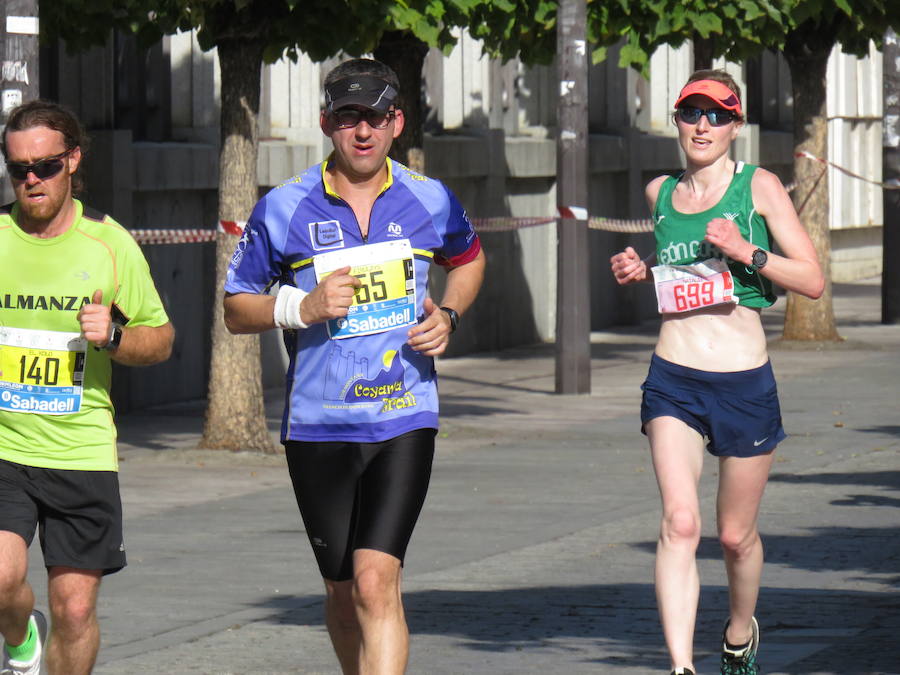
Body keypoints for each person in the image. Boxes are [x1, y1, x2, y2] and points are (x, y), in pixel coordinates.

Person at [223, 58, 485, 674]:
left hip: (403, 415)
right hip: (318, 425)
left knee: (375, 582)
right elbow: (237, 308)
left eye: (374, 117)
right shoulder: (284, 207)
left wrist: (449, 315)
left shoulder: (429, 197)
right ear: (325, 124)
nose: (361, 132)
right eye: (347, 119)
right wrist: (301, 305)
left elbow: (470, 261)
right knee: (342, 594)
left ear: (396, 123)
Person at [610, 70, 824, 675]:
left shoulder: (759, 186)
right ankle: (681, 666)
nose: (703, 126)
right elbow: (677, 269)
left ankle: (738, 631)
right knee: (680, 522)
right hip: (674, 375)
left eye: (718, 115)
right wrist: (638, 269)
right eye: (691, 113)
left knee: (735, 537)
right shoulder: (660, 193)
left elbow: (810, 279)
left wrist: (745, 250)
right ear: (676, 120)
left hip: (743, 380)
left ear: (736, 126)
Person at [0, 100, 174, 675]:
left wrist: (116, 336)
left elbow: (162, 338)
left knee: (74, 610)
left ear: (72, 161)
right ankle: (21, 636)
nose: (30, 179)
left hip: (80, 451)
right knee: (1, 582)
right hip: (5, 447)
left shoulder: (109, 243)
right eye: (17, 167)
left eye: (45, 166)